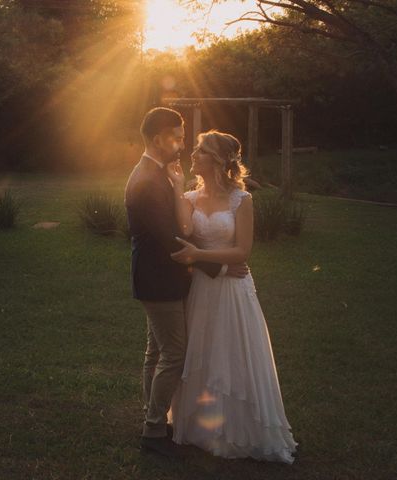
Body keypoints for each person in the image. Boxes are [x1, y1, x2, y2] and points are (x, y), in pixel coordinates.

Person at [166, 129, 298, 463]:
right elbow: (182, 234)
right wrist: (176, 185)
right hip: (201, 288)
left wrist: (199, 255)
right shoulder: (190, 198)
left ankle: (237, 430)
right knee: (202, 350)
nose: (193, 154)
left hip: (233, 290)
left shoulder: (242, 199)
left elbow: (242, 251)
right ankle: (200, 426)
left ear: (218, 160)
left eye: (200, 151)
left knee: (232, 351)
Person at [124, 108, 249, 458]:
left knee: (156, 352)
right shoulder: (147, 178)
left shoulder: (158, 173)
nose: (181, 144)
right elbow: (171, 241)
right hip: (158, 278)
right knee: (174, 354)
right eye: (177, 137)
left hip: (158, 278)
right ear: (157, 138)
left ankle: (154, 419)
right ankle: (152, 431)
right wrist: (220, 270)